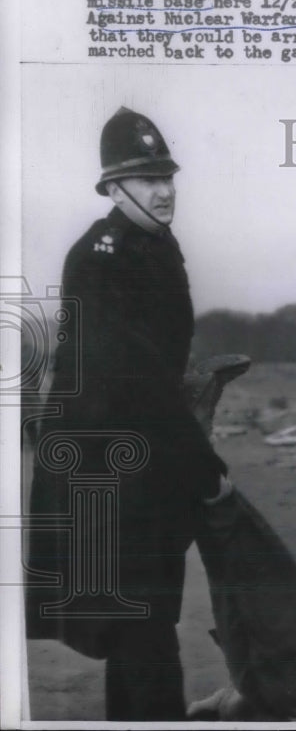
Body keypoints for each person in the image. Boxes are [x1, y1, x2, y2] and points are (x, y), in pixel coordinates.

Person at [25, 108, 229, 720]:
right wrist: (205, 468)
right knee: (145, 632)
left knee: (146, 627)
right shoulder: (101, 256)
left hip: (141, 466)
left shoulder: (156, 245)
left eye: (167, 175)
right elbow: (133, 379)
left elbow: (153, 365)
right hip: (107, 473)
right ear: (114, 188)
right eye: (146, 179)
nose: (165, 190)